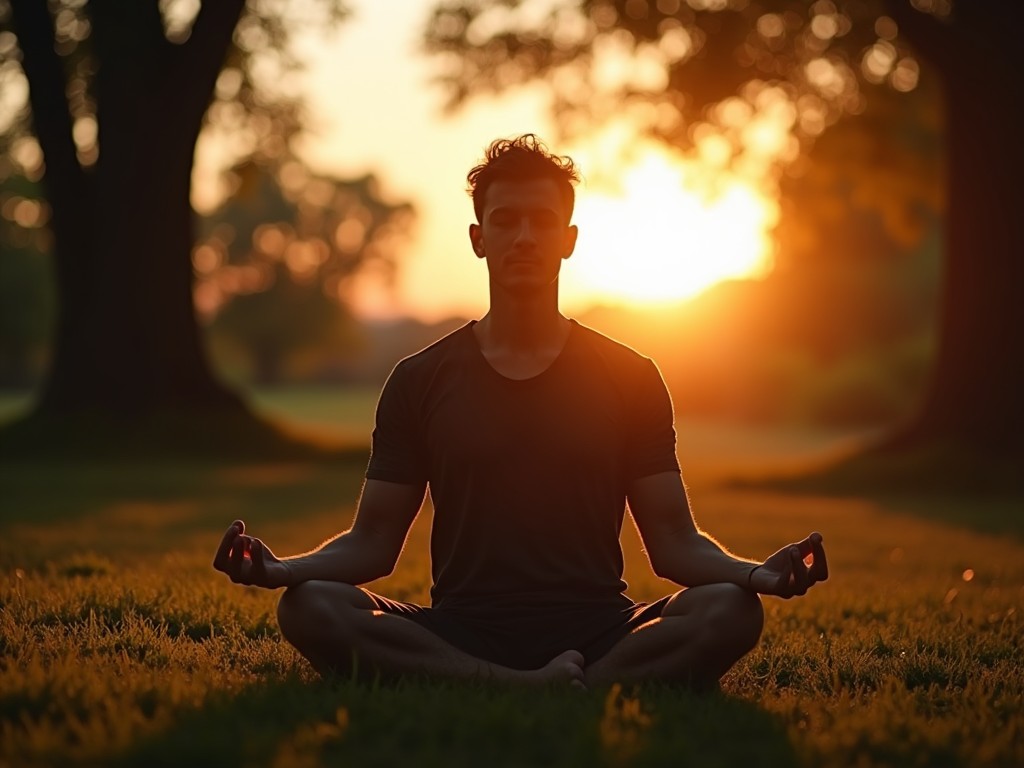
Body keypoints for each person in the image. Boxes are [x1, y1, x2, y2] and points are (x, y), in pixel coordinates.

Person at [213, 134, 828, 690]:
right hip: (462, 626)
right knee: (308, 605)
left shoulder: (629, 376)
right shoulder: (420, 379)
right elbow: (373, 543)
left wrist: (757, 576)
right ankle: (530, 684)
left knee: (729, 610)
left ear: (568, 239)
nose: (525, 237)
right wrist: (282, 568)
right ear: (479, 239)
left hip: (603, 625)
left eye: (542, 221)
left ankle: (563, 680)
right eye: (505, 221)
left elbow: (673, 544)